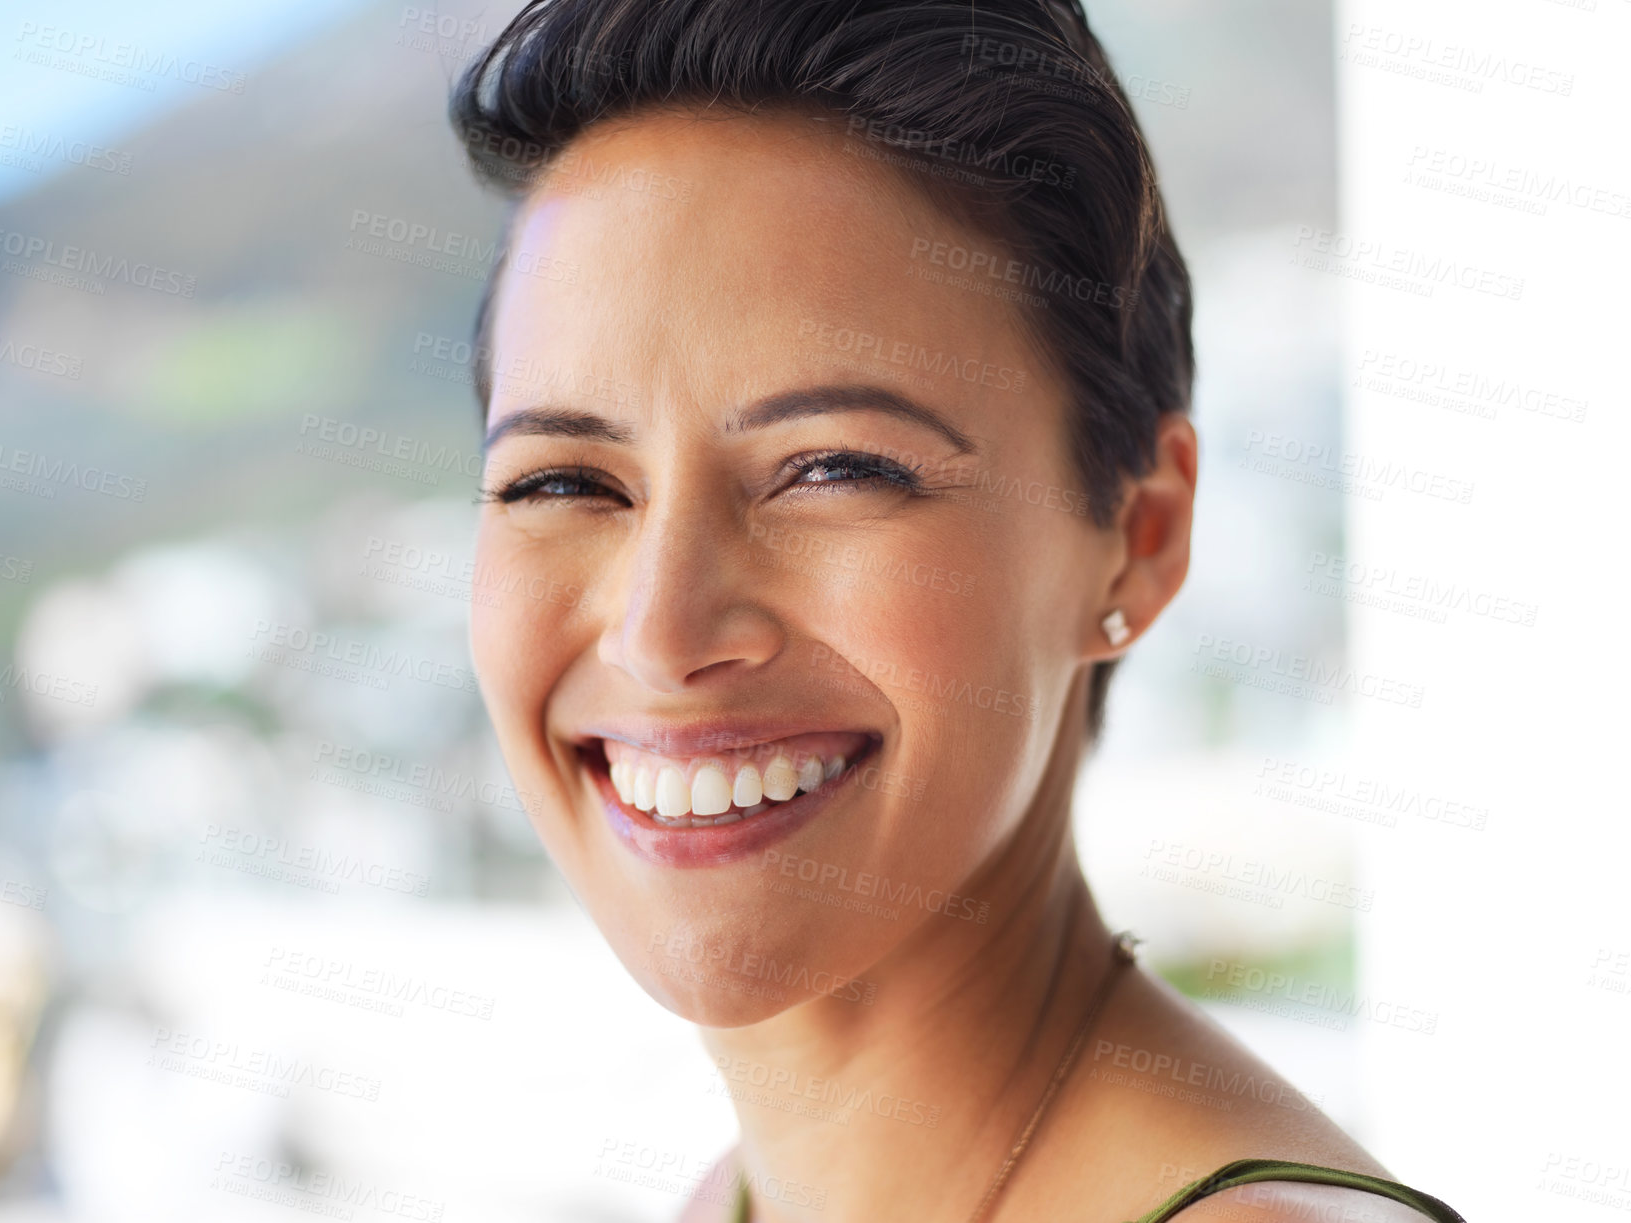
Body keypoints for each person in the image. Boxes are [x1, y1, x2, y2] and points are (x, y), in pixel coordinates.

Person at [447, 1, 1466, 1219]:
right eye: (562, 481)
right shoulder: (739, 1196)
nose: (660, 634)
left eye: (834, 468)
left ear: (1137, 539)